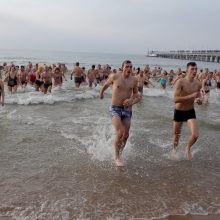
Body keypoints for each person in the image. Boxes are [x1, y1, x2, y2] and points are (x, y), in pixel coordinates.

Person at [99, 60, 139, 166]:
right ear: (122, 68)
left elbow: (137, 96)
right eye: (127, 67)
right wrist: (101, 93)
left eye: (131, 67)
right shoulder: (115, 77)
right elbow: (106, 85)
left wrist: (132, 101)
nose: (129, 69)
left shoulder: (134, 80)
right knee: (120, 132)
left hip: (127, 110)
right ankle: (116, 156)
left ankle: (120, 153)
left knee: (126, 135)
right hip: (115, 108)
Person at [173, 62, 202, 160]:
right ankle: (174, 151)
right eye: (192, 69)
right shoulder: (180, 82)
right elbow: (175, 99)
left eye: (196, 69)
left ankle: (187, 148)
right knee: (176, 136)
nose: (194, 71)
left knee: (195, 135)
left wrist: (199, 101)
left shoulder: (198, 83)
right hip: (179, 111)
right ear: (187, 70)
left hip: (190, 111)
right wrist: (192, 96)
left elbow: (198, 99)